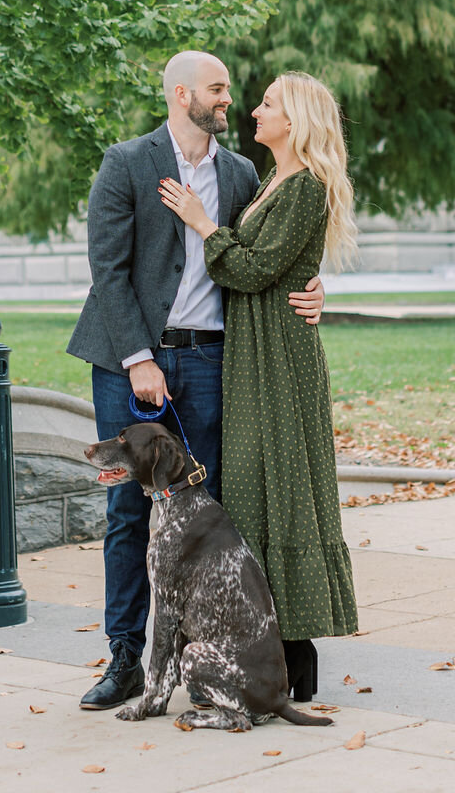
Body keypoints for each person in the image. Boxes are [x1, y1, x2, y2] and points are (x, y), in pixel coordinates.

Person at [67, 50, 325, 711]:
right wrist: (137, 358)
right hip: (132, 362)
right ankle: (126, 659)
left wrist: (313, 286)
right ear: (183, 95)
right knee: (130, 512)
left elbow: (262, 253)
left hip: (213, 362)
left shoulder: (241, 174)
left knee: (210, 512)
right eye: (217, 89)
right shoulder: (127, 163)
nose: (229, 100)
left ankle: (216, 656)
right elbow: (109, 270)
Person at [159, 71, 359, 700]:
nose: (254, 109)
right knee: (255, 488)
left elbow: (255, 267)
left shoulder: (306, 186)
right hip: (255, 350)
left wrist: (201, 221)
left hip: (279, 355)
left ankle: (295, 651)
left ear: (295, 119)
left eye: (268, 103)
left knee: (283, 485)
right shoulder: (273, 179)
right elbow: (275, 263)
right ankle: (268, 644)